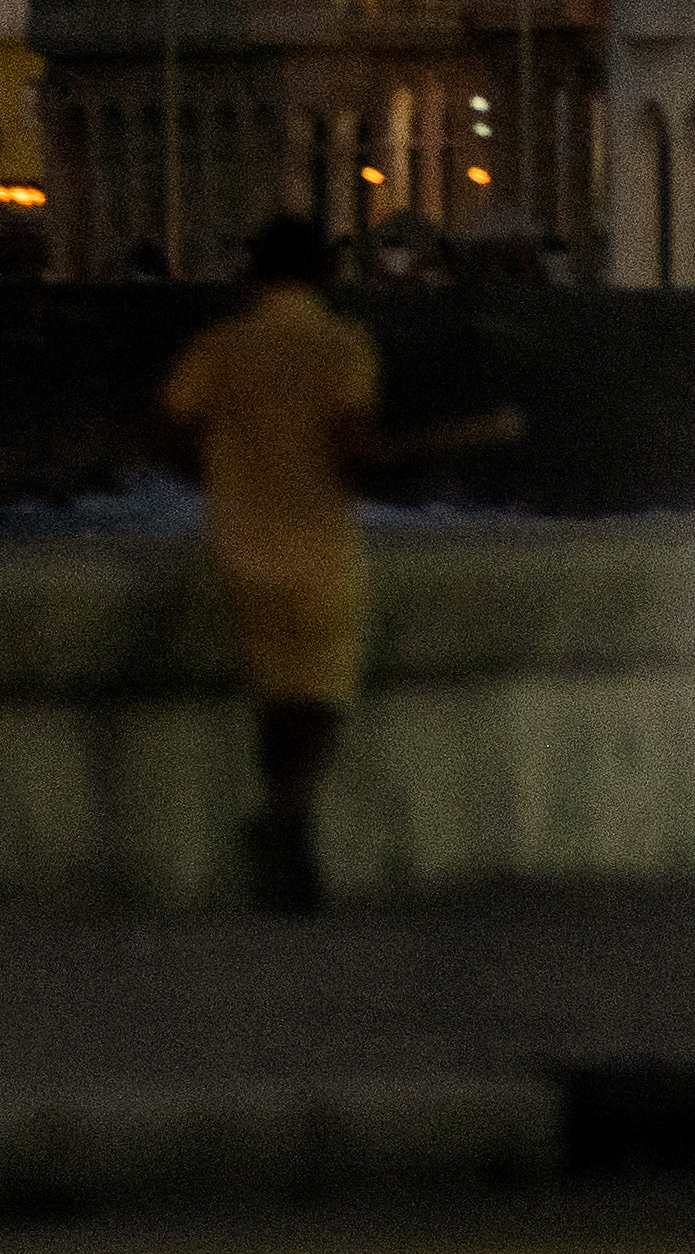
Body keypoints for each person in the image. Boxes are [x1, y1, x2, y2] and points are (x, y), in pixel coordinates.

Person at [155, 212, 520, 912]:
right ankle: (290, 819)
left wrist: (208, 474)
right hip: (320, 546)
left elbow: (162, 426)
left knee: (275, 698)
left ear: (254, 273)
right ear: (324, 273)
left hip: (242, 543)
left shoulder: (220, 347)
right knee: (320, 697)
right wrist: (401, 458)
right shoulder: (342, 345)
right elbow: (353, 447)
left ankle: (285, 822)